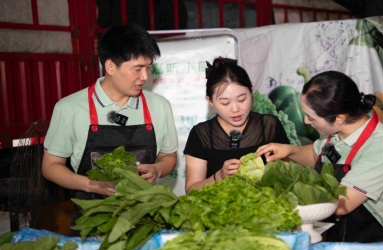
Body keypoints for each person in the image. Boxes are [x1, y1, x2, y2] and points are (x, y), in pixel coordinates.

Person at [42, 23, 178, 234]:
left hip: (146, 219)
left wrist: (158, 169)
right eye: (138, 68)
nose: (144, 76)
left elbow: (169, 156)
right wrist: (90, 185)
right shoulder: (70, 108)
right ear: (110, 67)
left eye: (149, 68)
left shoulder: (159, 106)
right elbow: (50, 166)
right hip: (91, 222)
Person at [256, 71, 383, 243]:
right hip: (332, 232)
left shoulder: (381, 145)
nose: (306, 122)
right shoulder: (336, 131)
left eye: (311, 117)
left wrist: (282, 203)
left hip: (365, 239)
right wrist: (290, 151)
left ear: (339, 118)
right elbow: (317, 155)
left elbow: (342, 203)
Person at [183, 57, 290, 193]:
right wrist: (219, 176)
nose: (235, 109)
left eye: (242, 99)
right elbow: (191, 190)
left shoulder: (270, 125)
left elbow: (288, 172)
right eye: (225, 103)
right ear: (210, 101)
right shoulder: (201, 134)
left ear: (251, 92)